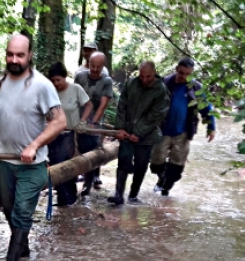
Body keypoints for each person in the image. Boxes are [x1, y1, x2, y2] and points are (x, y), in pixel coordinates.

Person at [0, 34, 67, 261]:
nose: (14, 59)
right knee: (9, 210)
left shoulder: (42, 85)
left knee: (21, 212)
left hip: (33, 165)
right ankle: (24, 249)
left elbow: (60, 121)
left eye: (20, 55)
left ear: (30, 56)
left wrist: (34, 145)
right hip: (5, 162)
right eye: (10, 54)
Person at [150, 57, 216, 196]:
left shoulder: (196, 87)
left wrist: (211, 127)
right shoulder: (164, 83)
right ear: (176, 69)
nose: (184, 77)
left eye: (187, 74)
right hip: (162, 130)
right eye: (181, 73)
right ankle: (161, 178)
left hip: (183, 132)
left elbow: (206, 108)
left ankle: (166, 190)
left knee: (176, 167)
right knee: (156, 162)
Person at [108, 61, 170, 205]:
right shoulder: (131, 84)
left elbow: (156, 115)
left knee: (141, 165)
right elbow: (122, 106)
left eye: (148, 77)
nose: (144, 80)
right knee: (123, 161)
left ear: (154, 73)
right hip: (127, 131)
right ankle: (118, 195)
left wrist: (139, 132)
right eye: (141, 76)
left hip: (147, 136)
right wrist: (120, 128)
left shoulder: (161, 90)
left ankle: (133, 195)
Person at [46, 62, 92, 218]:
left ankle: (70, 199)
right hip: (53, 135)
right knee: (54, 165)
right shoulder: (49, 92)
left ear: (65, 77)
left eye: (58, 80)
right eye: (53, 80)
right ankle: (63, 199)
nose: (56, 83)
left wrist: (83, 121)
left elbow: (89, 105)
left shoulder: (75, 89)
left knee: (67, 165)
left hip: (69, 134)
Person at [74, 52, 114, 196]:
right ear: (88, 64)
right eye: (93, 66)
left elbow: (103, 105)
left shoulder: (106, 81)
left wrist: (92, 123)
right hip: (78, 118)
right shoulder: (80, 76)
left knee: (91, 150)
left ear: (103, 66)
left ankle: (88, 183)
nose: (95, 69)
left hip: (95, 121)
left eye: (99, 66)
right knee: (75, 150)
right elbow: (74, 97)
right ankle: (74, 178)